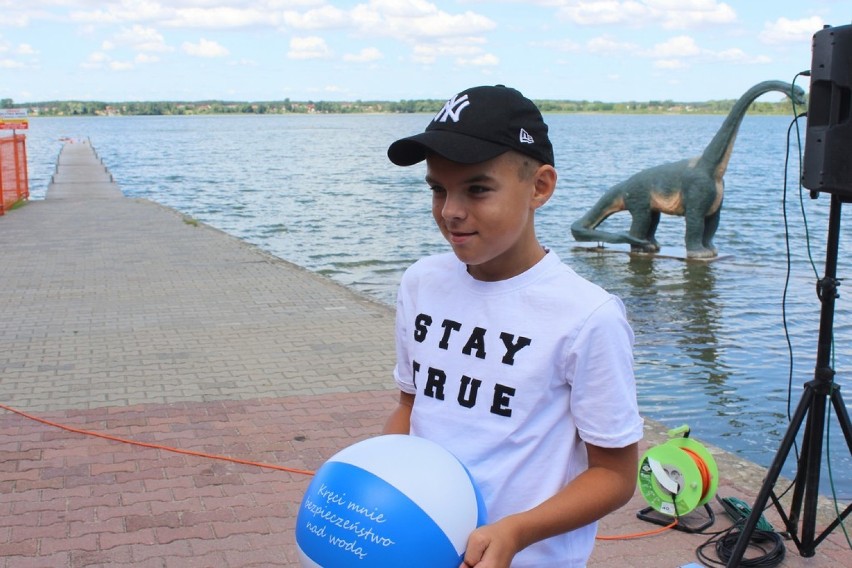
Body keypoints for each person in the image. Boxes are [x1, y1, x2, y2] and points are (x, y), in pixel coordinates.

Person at [382, 85, 644, 568]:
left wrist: (517, 532)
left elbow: (614, 475)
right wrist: (383, 483)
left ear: (540, 187)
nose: (451, 211)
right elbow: (409, 406)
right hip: (420, 548)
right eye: (438, 189)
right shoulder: (421, 282)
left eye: (477, 189)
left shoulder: (588, 316)